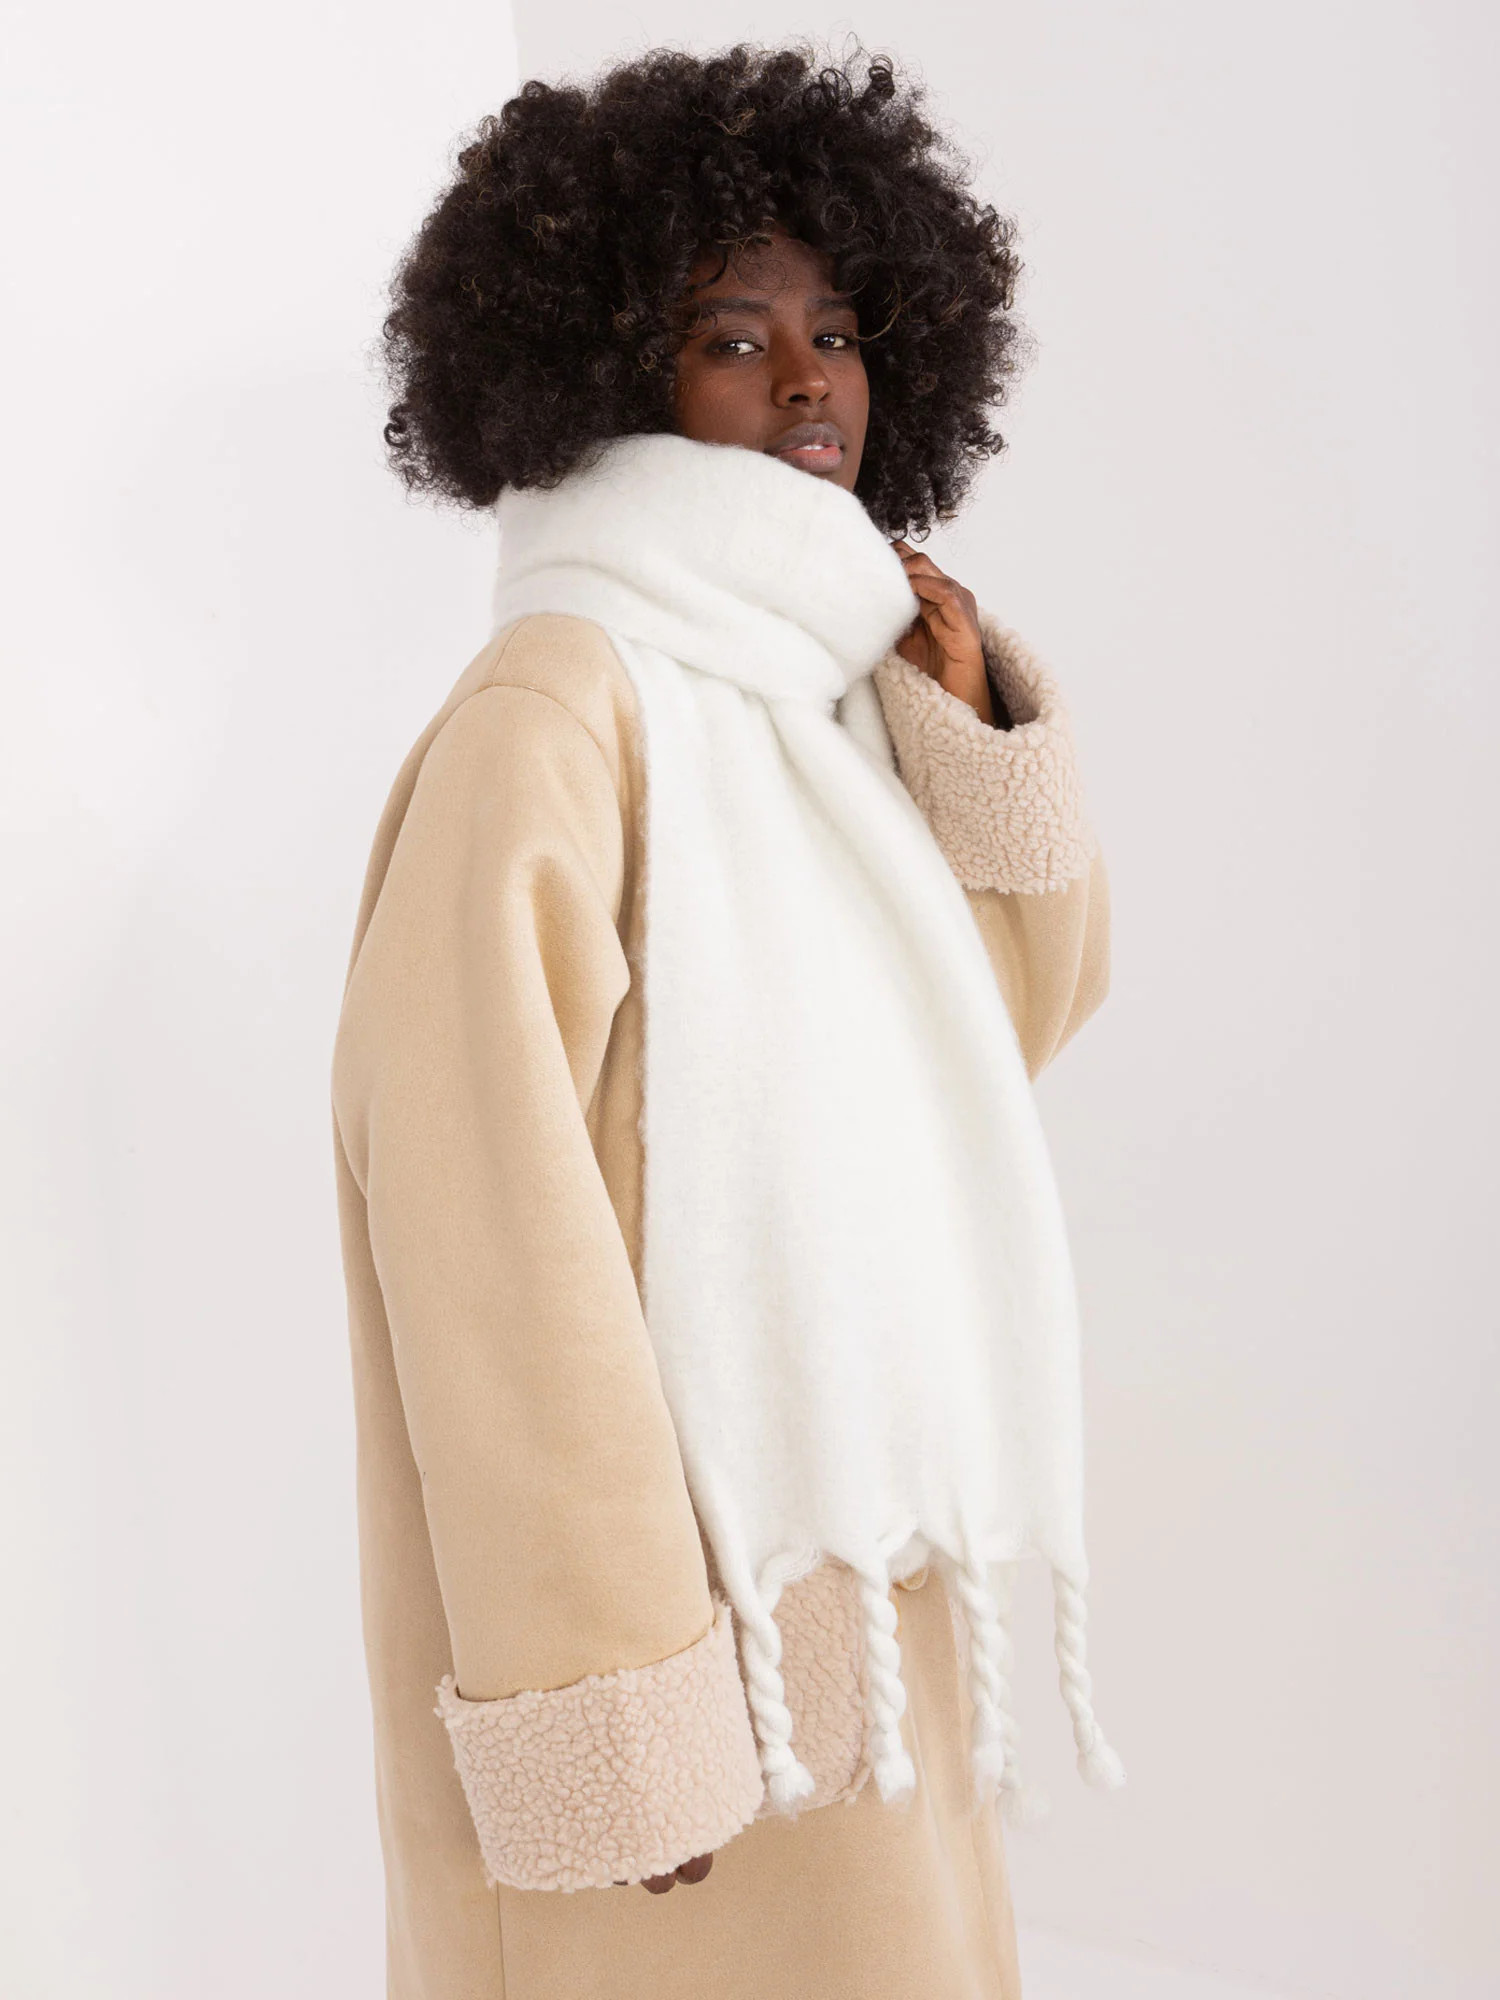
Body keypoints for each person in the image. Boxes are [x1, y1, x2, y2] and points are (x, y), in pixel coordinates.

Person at [331, 43, 1119, 2000]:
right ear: (604, 368)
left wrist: (964, 725)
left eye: (836, 331)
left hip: (850, 1605)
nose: (807, 382)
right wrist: (611, 1687)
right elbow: (483, 1226)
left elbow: (1010, 1024)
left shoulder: (822, 701)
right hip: (681, 1627)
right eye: (733, 337)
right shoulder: (559, 707)